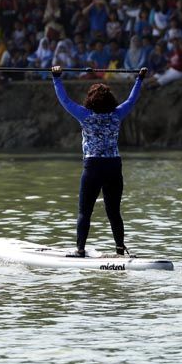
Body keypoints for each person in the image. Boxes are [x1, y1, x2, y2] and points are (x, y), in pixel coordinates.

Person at [50, 64, 148, 257]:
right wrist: (140, 79)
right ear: (110, 100)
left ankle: (80, 250)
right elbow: (132, 99)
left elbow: (64, 100)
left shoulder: (85, 116)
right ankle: (120, 249)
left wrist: (56, 77)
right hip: (113, 166)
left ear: (90, 100)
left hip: (93, 167)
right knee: (114, 212)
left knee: (85, 212)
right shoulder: (117, 115)